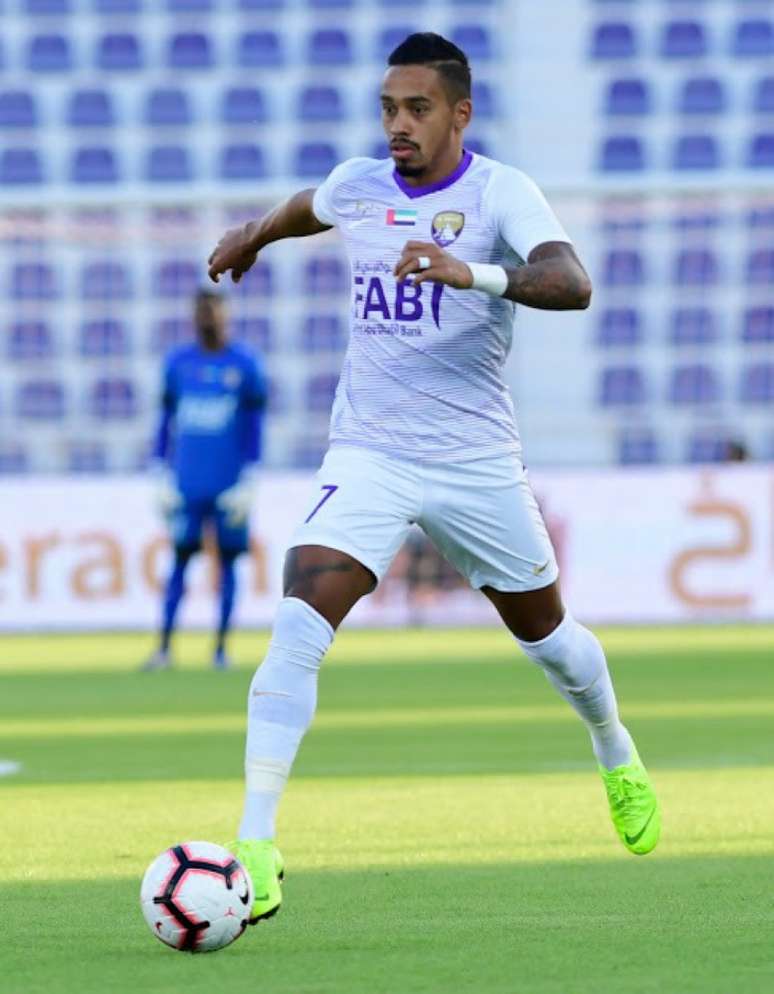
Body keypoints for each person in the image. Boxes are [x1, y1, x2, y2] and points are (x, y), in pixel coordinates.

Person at [207, 32, 661, 924]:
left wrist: (475, 273)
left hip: (475, 463)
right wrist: (253, 234)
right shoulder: (362, 184)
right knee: (298, 620)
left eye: (417, 109)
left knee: (554, 644)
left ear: (460, 112)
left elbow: (574, 285)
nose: (398, 126)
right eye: (388, 109)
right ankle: (255, 845)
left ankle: (615, 748)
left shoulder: (501, 192)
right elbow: (312, 205)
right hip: (369, 452)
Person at [143, 289, 267, 671]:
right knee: (180, 560)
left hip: (229, 484)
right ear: (193, 317)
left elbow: (254, 423)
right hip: (187, 483)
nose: (208, 320)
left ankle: (220, 649)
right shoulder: (178, 364)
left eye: (214, 312)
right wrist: (159, 469)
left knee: (229, 563)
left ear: (227, 316)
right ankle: (164, 648)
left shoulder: (245, 365)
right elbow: (166, 420)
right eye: (202, 313)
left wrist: (250, 475)